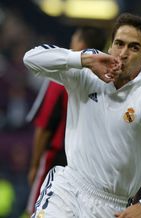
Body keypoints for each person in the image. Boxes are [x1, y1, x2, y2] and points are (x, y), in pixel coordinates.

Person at [23, 12, 141, 217]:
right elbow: (31, 59)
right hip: (67, 188)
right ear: (110, 46)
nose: (123, 53)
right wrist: (82, 59)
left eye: (133, 47)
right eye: (119, 43)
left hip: (113, 206)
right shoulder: (86, 69)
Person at [25, 26, 108, 216]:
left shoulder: (60, 76)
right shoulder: (107, 81)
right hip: (89, 163)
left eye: (74, 39)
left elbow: (44, 125)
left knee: (39, 209)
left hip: (56, 156)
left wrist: (35, 165)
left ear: (81, 44)